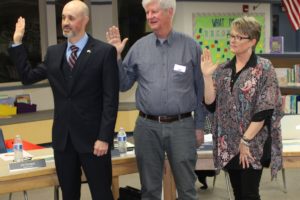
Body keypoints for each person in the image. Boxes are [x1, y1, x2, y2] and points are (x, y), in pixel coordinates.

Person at [8, 1, 119, 199]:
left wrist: (104, 137)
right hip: (63, 142)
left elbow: (110, 99)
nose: (65, 22)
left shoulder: (104, 52)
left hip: (94, 142)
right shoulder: (54, 53)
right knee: (69, 194)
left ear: (85, 20)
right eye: (63, 17)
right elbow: (27, 77)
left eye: (71, 18)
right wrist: (17, 42)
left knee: (102, 194)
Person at [106, 0, 206, 199]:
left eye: (154, 11)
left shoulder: (191, 47)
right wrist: (116, 56)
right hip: (147, 127)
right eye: (147, 12)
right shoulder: (139, 47)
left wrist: (199, 125)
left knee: (187, 188)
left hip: (182, 127)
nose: (149, 16)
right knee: (149, 190)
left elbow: (200, 89)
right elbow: (123, 84)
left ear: (169, 12)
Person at [201, 16, 283, 200]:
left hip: (252, 144)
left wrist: (245, 141)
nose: (233, 40)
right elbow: (210, 103)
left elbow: (265, 108)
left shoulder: (263, 67)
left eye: (239, 37)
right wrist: (207, 77)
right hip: (228, 144)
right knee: (239, 194)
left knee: (249, 195)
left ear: (253, 41)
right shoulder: (223, 69)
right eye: (231, 36)